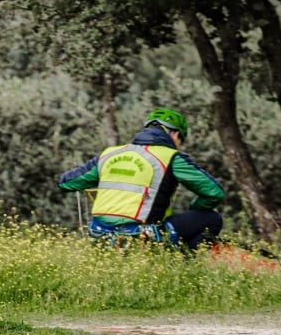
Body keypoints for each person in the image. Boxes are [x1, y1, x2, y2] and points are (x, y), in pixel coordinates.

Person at [58, 108, 224, 251]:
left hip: (100, 238)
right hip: (143, 238)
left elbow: (66, 182)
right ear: (174, 134)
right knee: (211, 219)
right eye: (181, 140)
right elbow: (214, 192)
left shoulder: (110, 153)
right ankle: (181, 263)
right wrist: (196, 208)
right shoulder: (171, 157)